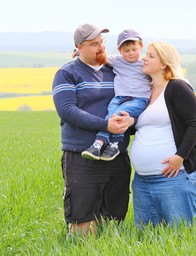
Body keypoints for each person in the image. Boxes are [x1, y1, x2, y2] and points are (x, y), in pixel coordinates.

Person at [52, 23, 134, 237]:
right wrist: (104, 124)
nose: (100, 47)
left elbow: (136, 96)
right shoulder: (67, 73)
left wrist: (130, 121)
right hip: (82, 155)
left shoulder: (115, 70)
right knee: (82, 226)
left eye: (102, 43)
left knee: (113, 223)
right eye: (93, 44)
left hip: (117, 154)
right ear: (79, 47)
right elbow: (67, 110)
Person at [130, 41, 196, 228]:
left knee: (177, 236)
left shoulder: (177, 87)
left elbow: (195, 123)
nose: (144, 58)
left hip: (175, 176)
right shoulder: (145, 91)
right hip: (142, 180)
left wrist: (180, 156)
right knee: (146, 238)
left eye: (150, 56)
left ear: (164, 63)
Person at [80, 29, 151, 161]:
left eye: (134, 49)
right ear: (120, 51)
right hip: (119, 98)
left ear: (141, 47)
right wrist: (80, 52)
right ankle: (100, 144)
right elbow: (99, 58)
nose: (130, 53)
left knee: (117, 115)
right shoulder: (117, 61)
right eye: (126, 50)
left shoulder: (145, 64)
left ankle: (111, 144)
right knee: (110, 116)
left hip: (139, 99)